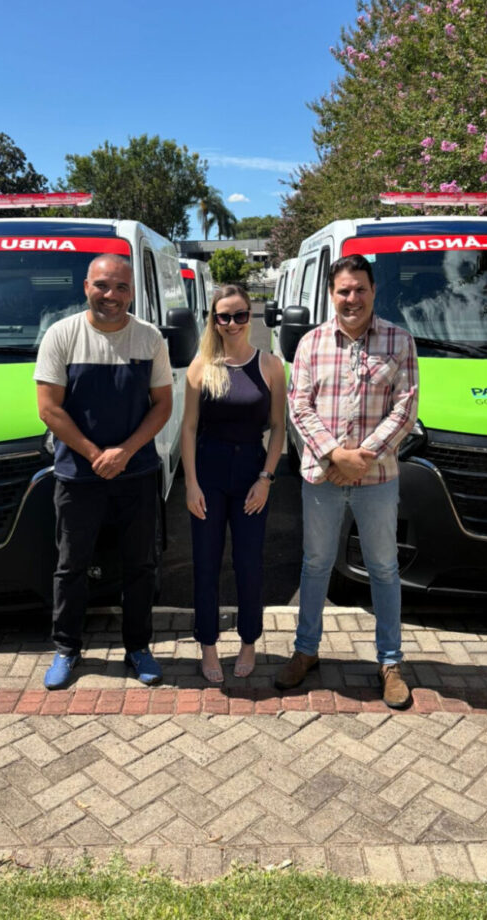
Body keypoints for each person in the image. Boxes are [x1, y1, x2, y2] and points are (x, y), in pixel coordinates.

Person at [275, 254, 418, 708]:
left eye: (359, 289)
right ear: (331, 295)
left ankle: (390, 662)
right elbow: (299, 406)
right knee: (316, 564)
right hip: (322, 475)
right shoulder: (311, 343)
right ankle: (306, 650)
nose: (351, 298)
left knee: (384, 568)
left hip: (377, 477)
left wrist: (363, 458)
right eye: (343, 290)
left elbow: (406, 408)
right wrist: (335, 455)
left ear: (373, 291)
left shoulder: (399, 341)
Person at [34, 254, 173, 690]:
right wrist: (97, 455)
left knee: (140, 566)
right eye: (102, 285)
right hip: (78, 476)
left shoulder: (149, 337)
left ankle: (138, 647)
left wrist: (125, 453)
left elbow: (163, 405)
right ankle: (66, 649)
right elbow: (49, 409)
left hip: (136, 473)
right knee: (71, 566)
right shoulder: (61, 335)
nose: (111, 295)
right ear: (86, 287)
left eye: (121, 287)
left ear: (132, 292)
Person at [182, 284, 286, 683]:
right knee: (206, 563)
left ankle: (248, 641)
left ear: (250, 316)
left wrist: (266, 479)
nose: (232, 323)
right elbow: (189, 428)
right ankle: (208, 645)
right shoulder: (200, 366)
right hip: (208, 473)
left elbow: (278, 427)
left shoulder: (270, 366)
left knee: (248, 563)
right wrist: (191, 484)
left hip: (250, 475)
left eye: (240, 314)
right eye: (223, 316)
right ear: (213, 320)